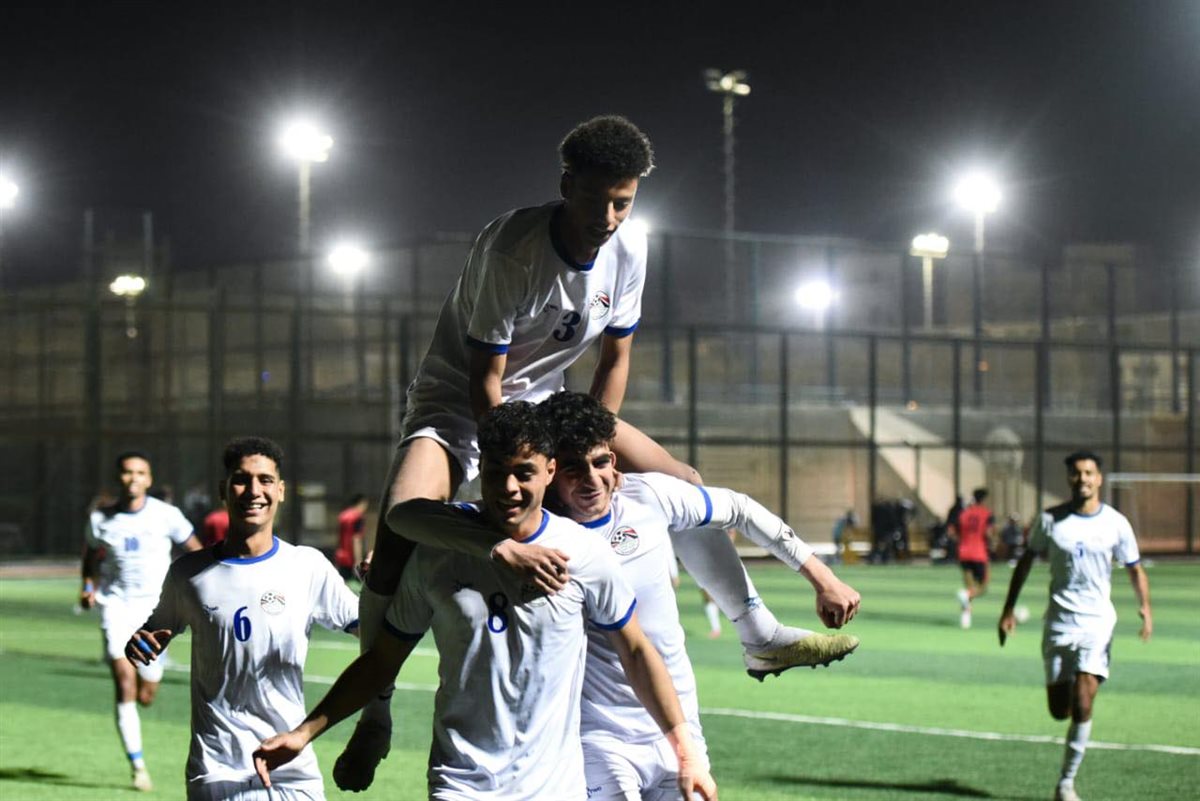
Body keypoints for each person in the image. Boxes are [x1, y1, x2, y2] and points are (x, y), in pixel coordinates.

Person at [342, 113, 813, 788]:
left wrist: (590, 443)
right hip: (457, 403)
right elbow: (484, 381)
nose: (609, 217)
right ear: (567, 185)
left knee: (682, 479)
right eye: (597, 200)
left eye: (624, 202)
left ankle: (756, 629)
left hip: (551, 400)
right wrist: (511, 481)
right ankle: (376, 713)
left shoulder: (630, 247)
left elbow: (614, 361)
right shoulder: (513, 250)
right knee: (399, 527)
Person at [253, 403, 716, 801]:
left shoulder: (584, 553)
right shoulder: (436, 555)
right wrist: (304, 733)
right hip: (461, 784)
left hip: (555, 789)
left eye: (524, 472)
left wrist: (686, 752)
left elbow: (636, 650)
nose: (509, 487)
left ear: (550, 471)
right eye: (496, 472)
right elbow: (381, 661)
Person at [535, 392, 857, 798]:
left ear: (614, 461)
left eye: (600, 463)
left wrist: (823, 578)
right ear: (550, 472)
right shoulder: (538, 536)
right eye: (573, 469)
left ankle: (760, 632)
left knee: (690, 487)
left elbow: (740, 508)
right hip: (597, 736)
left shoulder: (647, 496)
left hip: (679, 727)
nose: (591, 479)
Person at [126, 437, 360, 801]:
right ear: (223, 490)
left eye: (265, 480)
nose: (254, 491)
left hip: (293, 770)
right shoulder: (188, 573)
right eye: (241, 480)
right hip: (218, 772)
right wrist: (141, 642)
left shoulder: (307, 567)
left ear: (281, 491)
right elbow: (154, 631)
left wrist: (383, 588)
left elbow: (376, 636)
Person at [998, 450, 1152, 801]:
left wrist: (1145, 606)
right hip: (1058, 623)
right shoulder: (1050, 520)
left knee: (1083, 702)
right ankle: (1075, 709)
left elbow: (1134, 567)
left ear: (1099, 478)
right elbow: (1025, 561)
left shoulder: (1116, 523)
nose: (1083, 478)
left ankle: (1066, 784)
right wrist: (1008, 608)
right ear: (1069, 478)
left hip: (1097, 624)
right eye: (1077, 473)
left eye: (1089, 473)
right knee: (1059, 710)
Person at [80, 450, 201, 792]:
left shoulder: (167, 515)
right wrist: (88, 586)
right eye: (127, 472)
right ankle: (138, 767)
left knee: (147, 693)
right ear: (118, 477)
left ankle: (149, 682)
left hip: (157, 612)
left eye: (140, 472)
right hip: (116, 606)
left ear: (148, 479)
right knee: (124, 683)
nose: (133, 478)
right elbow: (90, 556)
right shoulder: (100, 519)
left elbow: (196, 551)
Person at [952, 487, 995, 628]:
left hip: (963, 553)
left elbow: (953, 532)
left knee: (969, 587)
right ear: (984, 499)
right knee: (983, 587)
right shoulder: (987, 513)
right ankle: (965, 597)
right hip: (979, 553)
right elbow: (988, 533)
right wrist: (993, 542)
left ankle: (965, 618)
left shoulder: (964, 513)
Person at [333, 494, 369, 582]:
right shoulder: (357, 517)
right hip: (351, 558)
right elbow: (356, 539)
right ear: (361, 503)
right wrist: (358, 561)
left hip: (341, 556)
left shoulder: (343, 515)